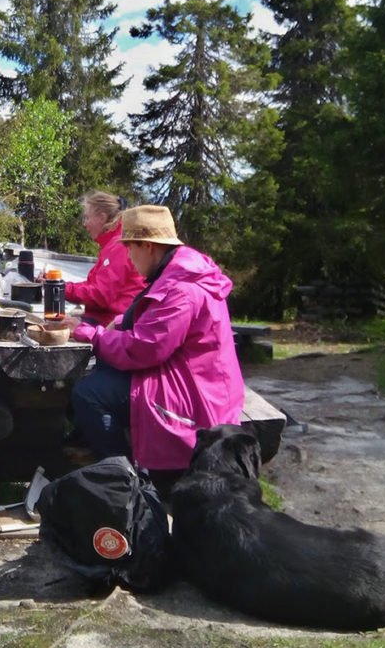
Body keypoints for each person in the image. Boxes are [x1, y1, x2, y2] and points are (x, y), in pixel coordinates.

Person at [70, 204, 244, 493]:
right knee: (101, 371)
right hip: (201, 380)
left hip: (197, 398)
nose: (127, 255)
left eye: (130, 247)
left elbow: (144, 349)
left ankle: (127, 481)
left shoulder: (182, 288)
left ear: (148, 246)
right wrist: (117, 323)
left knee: (88, 393)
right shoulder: (179, 272)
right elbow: (155, 324)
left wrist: (93, 335)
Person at [55, 191, 145, 327]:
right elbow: (96, 287)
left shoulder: (119, 246)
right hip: (109, 320)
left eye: (87, 218)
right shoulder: (113, 244)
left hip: (112, 325)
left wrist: (60, 288)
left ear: (102, 218)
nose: (85, 224)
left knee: (54, 327)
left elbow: (100, 295)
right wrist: (61, 285)